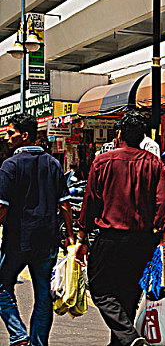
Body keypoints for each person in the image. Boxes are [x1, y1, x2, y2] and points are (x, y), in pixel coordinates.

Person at [75, 112, 165, 346]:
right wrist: (163, 237)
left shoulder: (103, 161)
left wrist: (81, 237)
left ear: (118, 135)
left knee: (99, 290)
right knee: (129, 295)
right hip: (143, 240)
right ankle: (123, 343)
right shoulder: (154, 163)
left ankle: (129, 339)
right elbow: (162, 203)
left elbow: (90, 202)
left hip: (110, 238)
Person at [0, 114, 74, 346]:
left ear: (25, 135)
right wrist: (70, 236)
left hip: (17, 240)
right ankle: (37, 343)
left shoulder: (9, 165)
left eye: (11, 133)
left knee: (2, 286)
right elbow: (65, 205)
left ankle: (19, 334)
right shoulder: (53, 163)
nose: (7, 137)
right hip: (47, 240)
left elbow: (2, 206)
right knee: (43, 295)